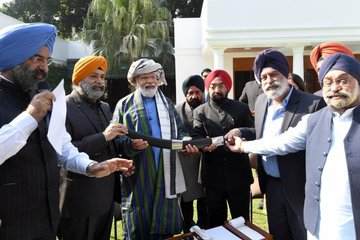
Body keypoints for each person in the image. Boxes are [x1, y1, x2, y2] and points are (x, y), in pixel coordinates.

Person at [0, 23, 133, 240]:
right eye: (38, 59)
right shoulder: (32, 104)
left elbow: (61, 145)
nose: (45, 68)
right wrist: (30, 116)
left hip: (46, 218)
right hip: (10, 221)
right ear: (15, 57)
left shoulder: (41, 95)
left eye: (47, 61)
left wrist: (91, 167)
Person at [226, 53, 360, 240]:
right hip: (278, 189)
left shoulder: (313, 105)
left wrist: (245, 146)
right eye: (328, 82)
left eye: (343, 80)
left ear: (286, 75)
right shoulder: (268, 104)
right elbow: (277, 141)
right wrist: (243, 138)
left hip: (304, 191)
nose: (335, 88)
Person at [112, 58, 198, 239]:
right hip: (139, 172)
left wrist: (185, 140)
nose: (150, 81)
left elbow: (180, 131)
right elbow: (115, 138)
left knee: (165, 222)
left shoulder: (167, 104)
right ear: (135, 80)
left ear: (159, 79)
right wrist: (130, 145)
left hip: (167, 171)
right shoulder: (124, 105)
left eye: (153, 77)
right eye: (144, 77)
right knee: (139, 220)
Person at [57, 56, 128, 240]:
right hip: (79, 200)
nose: (99, 81)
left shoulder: (104, 107)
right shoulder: (63, 106)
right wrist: (104, 136)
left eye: (102, 77)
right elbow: (63, 150)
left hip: (105, 199)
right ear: (79, 79)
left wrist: (127, 153)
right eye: (93, 76)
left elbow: (109, 146)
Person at [191, 69, 254, 228]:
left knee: (242, 222)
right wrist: (204, 144)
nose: (217, 90)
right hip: (212, 178)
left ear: (228, 87)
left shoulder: (241, 108)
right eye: (212, 86)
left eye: (221, 86)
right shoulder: (200, 111)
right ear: (208, 87)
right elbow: (197, 135)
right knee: (215, 224)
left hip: (239, 175)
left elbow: (255, 131)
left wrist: (240, 132)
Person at [175, 75, 208, 232]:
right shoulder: (176, 111)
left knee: (205, 201)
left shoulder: (210, 108)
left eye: (198, 92)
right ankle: (188, 231)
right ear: (185, 95)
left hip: (206, 161)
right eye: (190, 93)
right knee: (186, 203)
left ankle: (204, 231)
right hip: (185, 162)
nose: (194, 96)